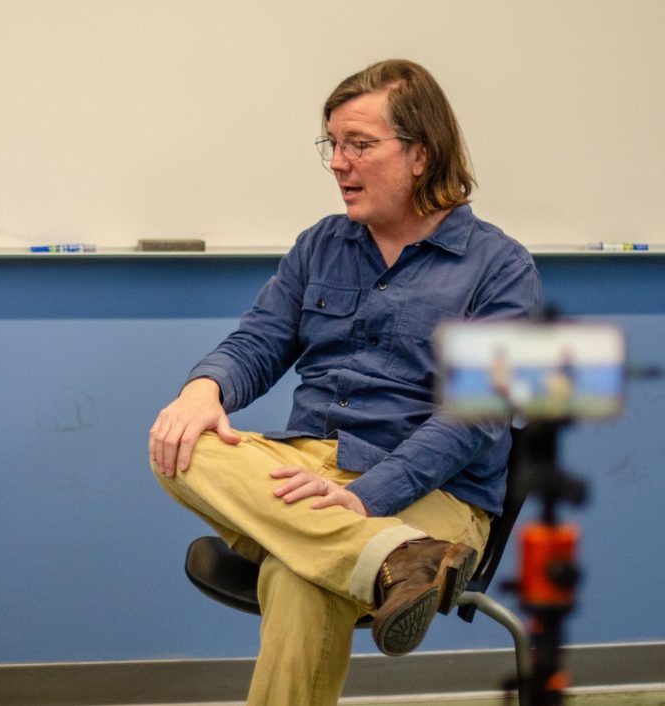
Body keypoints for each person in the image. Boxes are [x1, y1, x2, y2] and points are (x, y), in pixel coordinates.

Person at [148, 59, 541, 706]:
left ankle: (381, 551)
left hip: (436, 495)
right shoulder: (320, 245)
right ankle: (391, 562)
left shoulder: (501, 267)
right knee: (181, 446)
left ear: (421, 154)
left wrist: (369, 496)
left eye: (359, 145)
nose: (338, 162)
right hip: (314, 469)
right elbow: (260, 341)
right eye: (332, 145)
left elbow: (475, 418)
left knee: (299, 577)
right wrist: (203, 392)